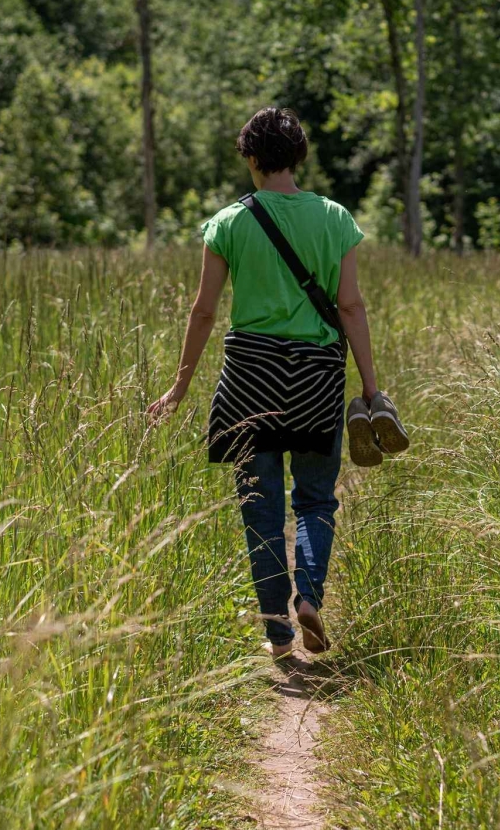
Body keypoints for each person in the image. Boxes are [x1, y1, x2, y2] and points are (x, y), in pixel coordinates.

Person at [146, 107, 406, 658]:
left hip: (249, 379)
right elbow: (351, 306)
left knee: (258, 506)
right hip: (315, 377)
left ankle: (279, 636)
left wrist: (179, 389)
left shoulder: (229, 223)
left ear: (251, 158)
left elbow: (203, 313)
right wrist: (369, 387)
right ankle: (308, 595)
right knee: (315, 500)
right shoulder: (336, 219)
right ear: (299, 157)